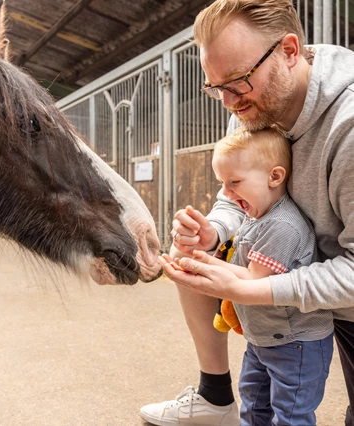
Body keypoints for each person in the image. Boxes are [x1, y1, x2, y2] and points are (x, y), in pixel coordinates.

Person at [140, 1, 354, 425]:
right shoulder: (250, 105)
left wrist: (253, 290)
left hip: (346, 295)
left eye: (236, 82)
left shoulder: (347, 126)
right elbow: (228, 201)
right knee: (190, 252)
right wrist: (213, 233)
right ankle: (215, 394)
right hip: (288, 275)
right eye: (214, 88)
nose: (227, 102)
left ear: (289, 51)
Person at [157, 127, 333, 425]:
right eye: (222, 183)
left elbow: (254, 279)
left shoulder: (282, 226)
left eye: (234, 182)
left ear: (275, 177)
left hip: (295, 343)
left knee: (290, 415)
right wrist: (201, 258)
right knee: (252, 405)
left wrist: (202, 267)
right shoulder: (256, 216)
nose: (225, 193)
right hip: (264, 337)